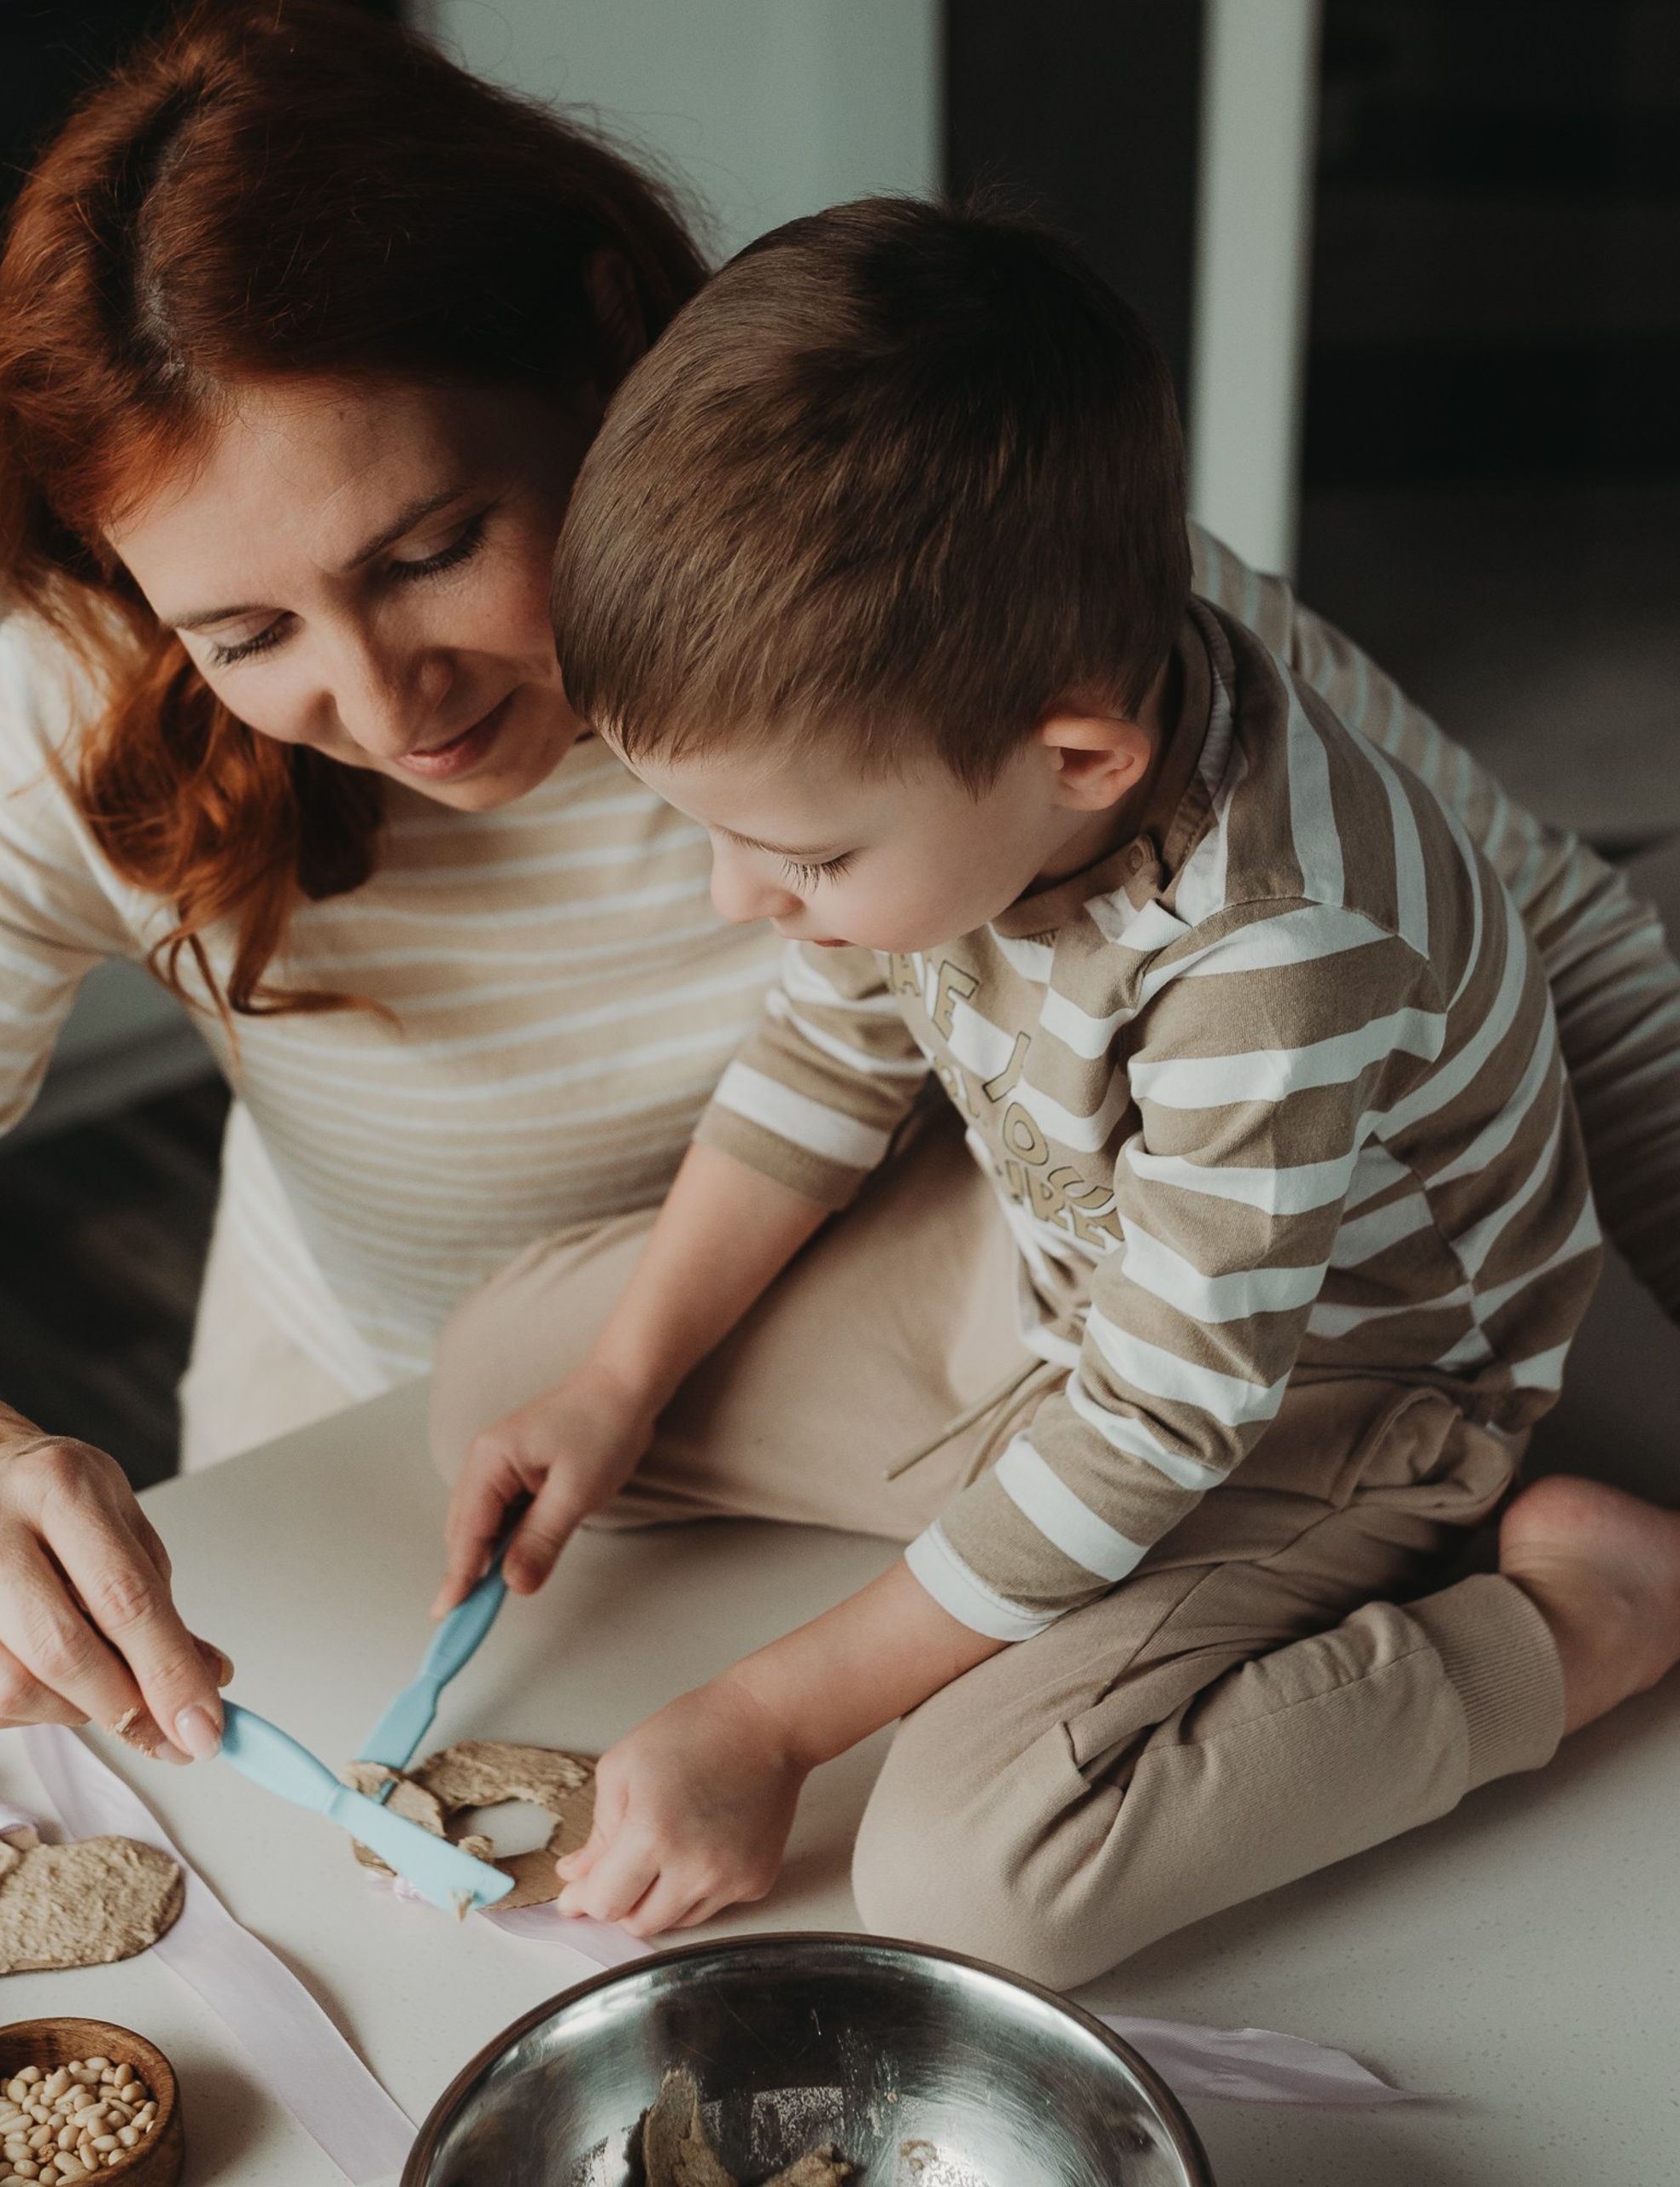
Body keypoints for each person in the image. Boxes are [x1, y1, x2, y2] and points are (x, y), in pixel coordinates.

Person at [0, 2, 1680, 1785]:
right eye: (243, 632)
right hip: (412, 1437)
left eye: (432, 547)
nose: (384, 705)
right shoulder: (83, 729)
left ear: (599, 342)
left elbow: (1553, 959)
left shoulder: (927, 613)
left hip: (967, 1383)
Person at [429, 197, 1680, 1982]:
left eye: (797, 854)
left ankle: (1577, 1620)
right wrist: (620, 1383)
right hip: (1054, 1279)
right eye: (703, 832)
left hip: (1322, 1399)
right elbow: (830, 1049)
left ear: (1079, 755)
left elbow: (1164, 1419)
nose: (733, 896)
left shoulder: (1275, 956)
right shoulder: (974, 731)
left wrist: (775, 1714)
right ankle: (977, 1530)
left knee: (976, 1880)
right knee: (507, 1385)